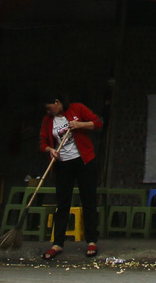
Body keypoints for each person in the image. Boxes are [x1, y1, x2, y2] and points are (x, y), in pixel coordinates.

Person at [40, 95, 103, 260]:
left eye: (50, 107)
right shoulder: (48, 120)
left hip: (84, 161)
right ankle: (57, 243)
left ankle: (91, 241)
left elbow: (97, 123)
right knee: (62, 203)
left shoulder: (77, 108)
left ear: (57, 102)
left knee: (88, 200)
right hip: (63, 165)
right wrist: (50, 150)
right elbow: (43, 142)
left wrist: (79, 124)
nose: (48, 111)